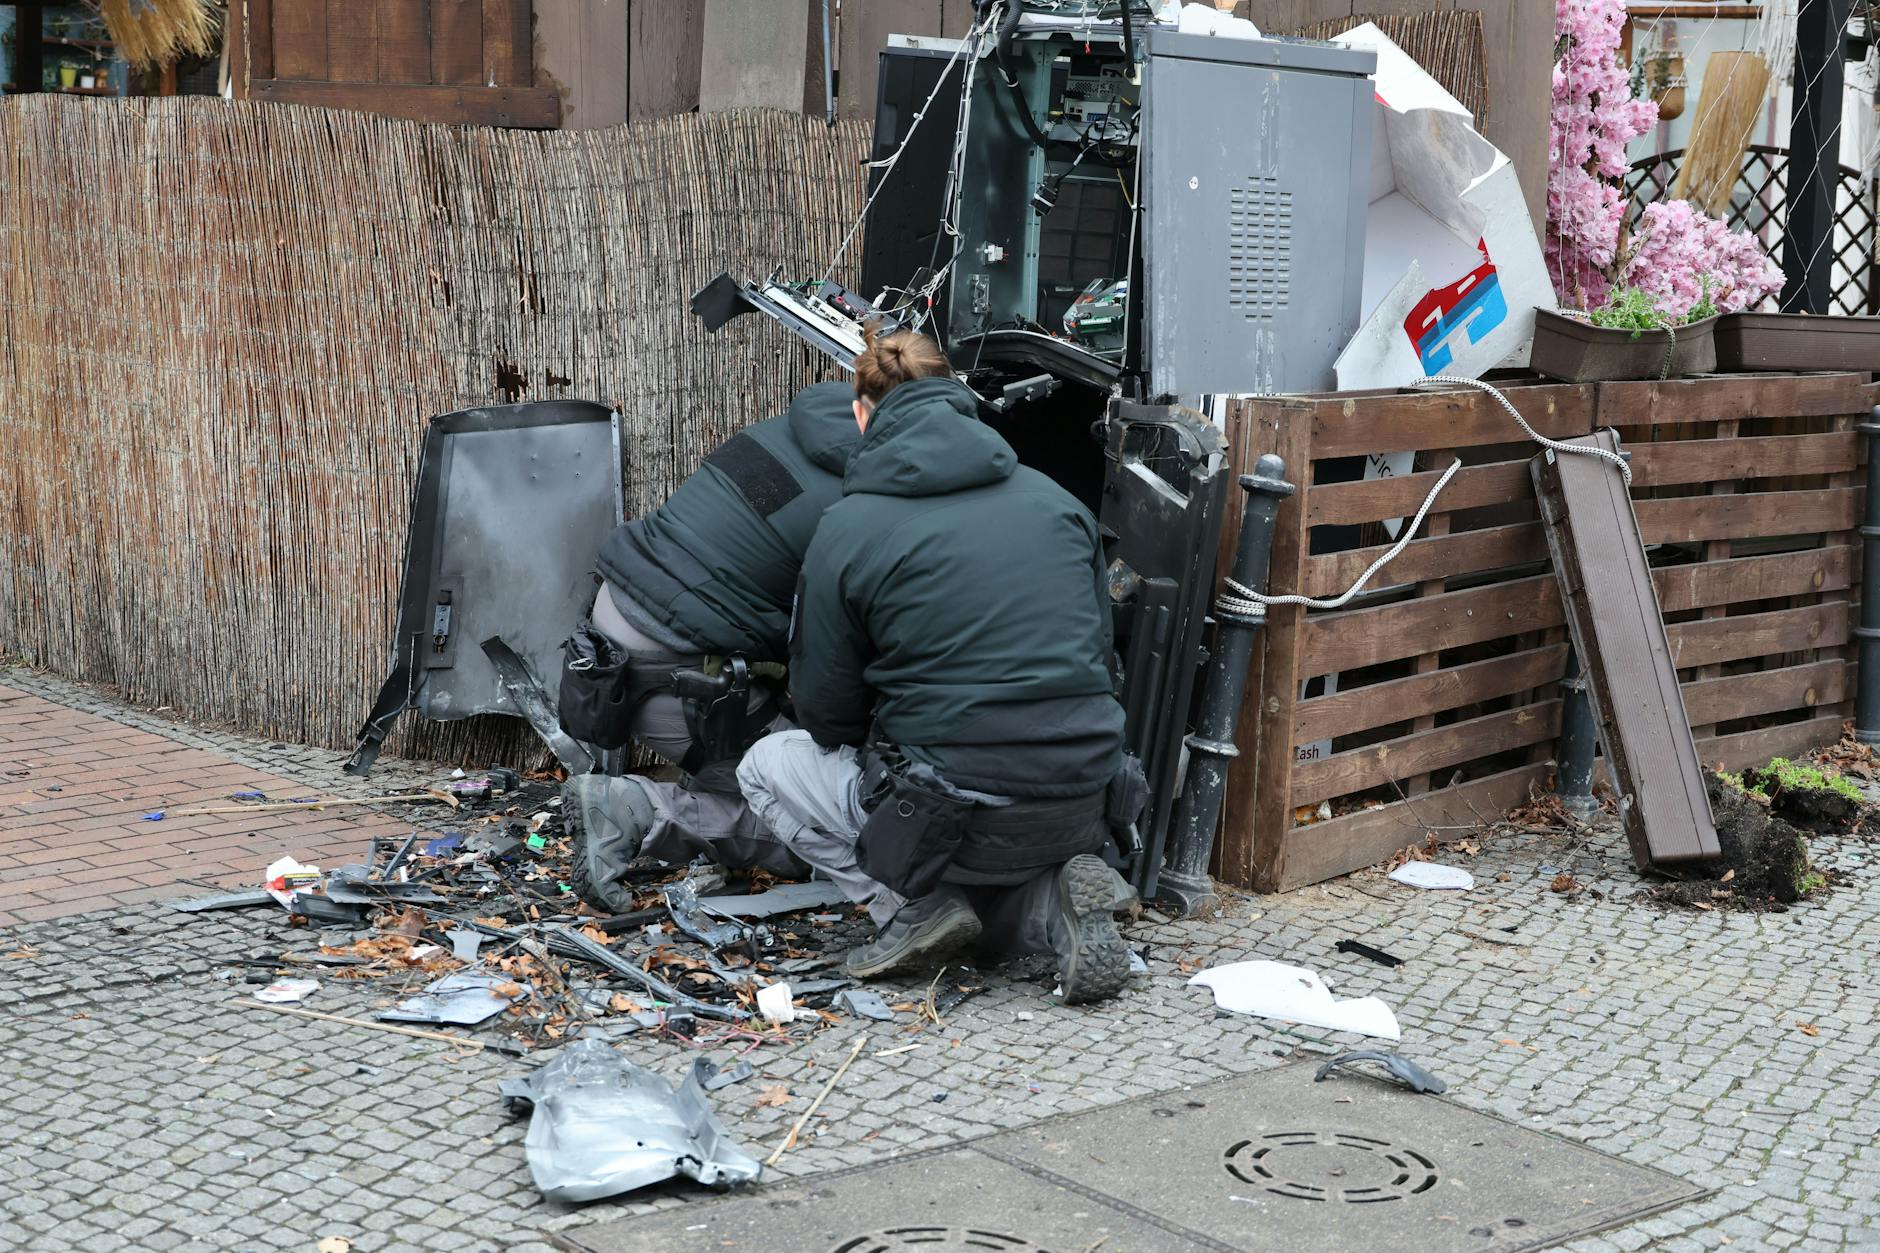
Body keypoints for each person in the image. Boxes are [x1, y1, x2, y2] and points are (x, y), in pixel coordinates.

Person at [734, 326, 1137, 1004]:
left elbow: (826, 712)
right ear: (959, 400)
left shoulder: (849, 525)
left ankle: (912, 908)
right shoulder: (1057, 501)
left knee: (763, 767)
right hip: (1086, 796)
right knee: (978, 791)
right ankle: (1054, 898)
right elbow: (1099, 656)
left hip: (950, 813)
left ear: (862, 414)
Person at [557, 378, 901, 913]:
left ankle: (645, 806)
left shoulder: (787, 430)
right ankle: (637, 811)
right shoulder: (860, 501)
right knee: (834, 820)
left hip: (620, 626)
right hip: (681, 675)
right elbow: (834, 660)